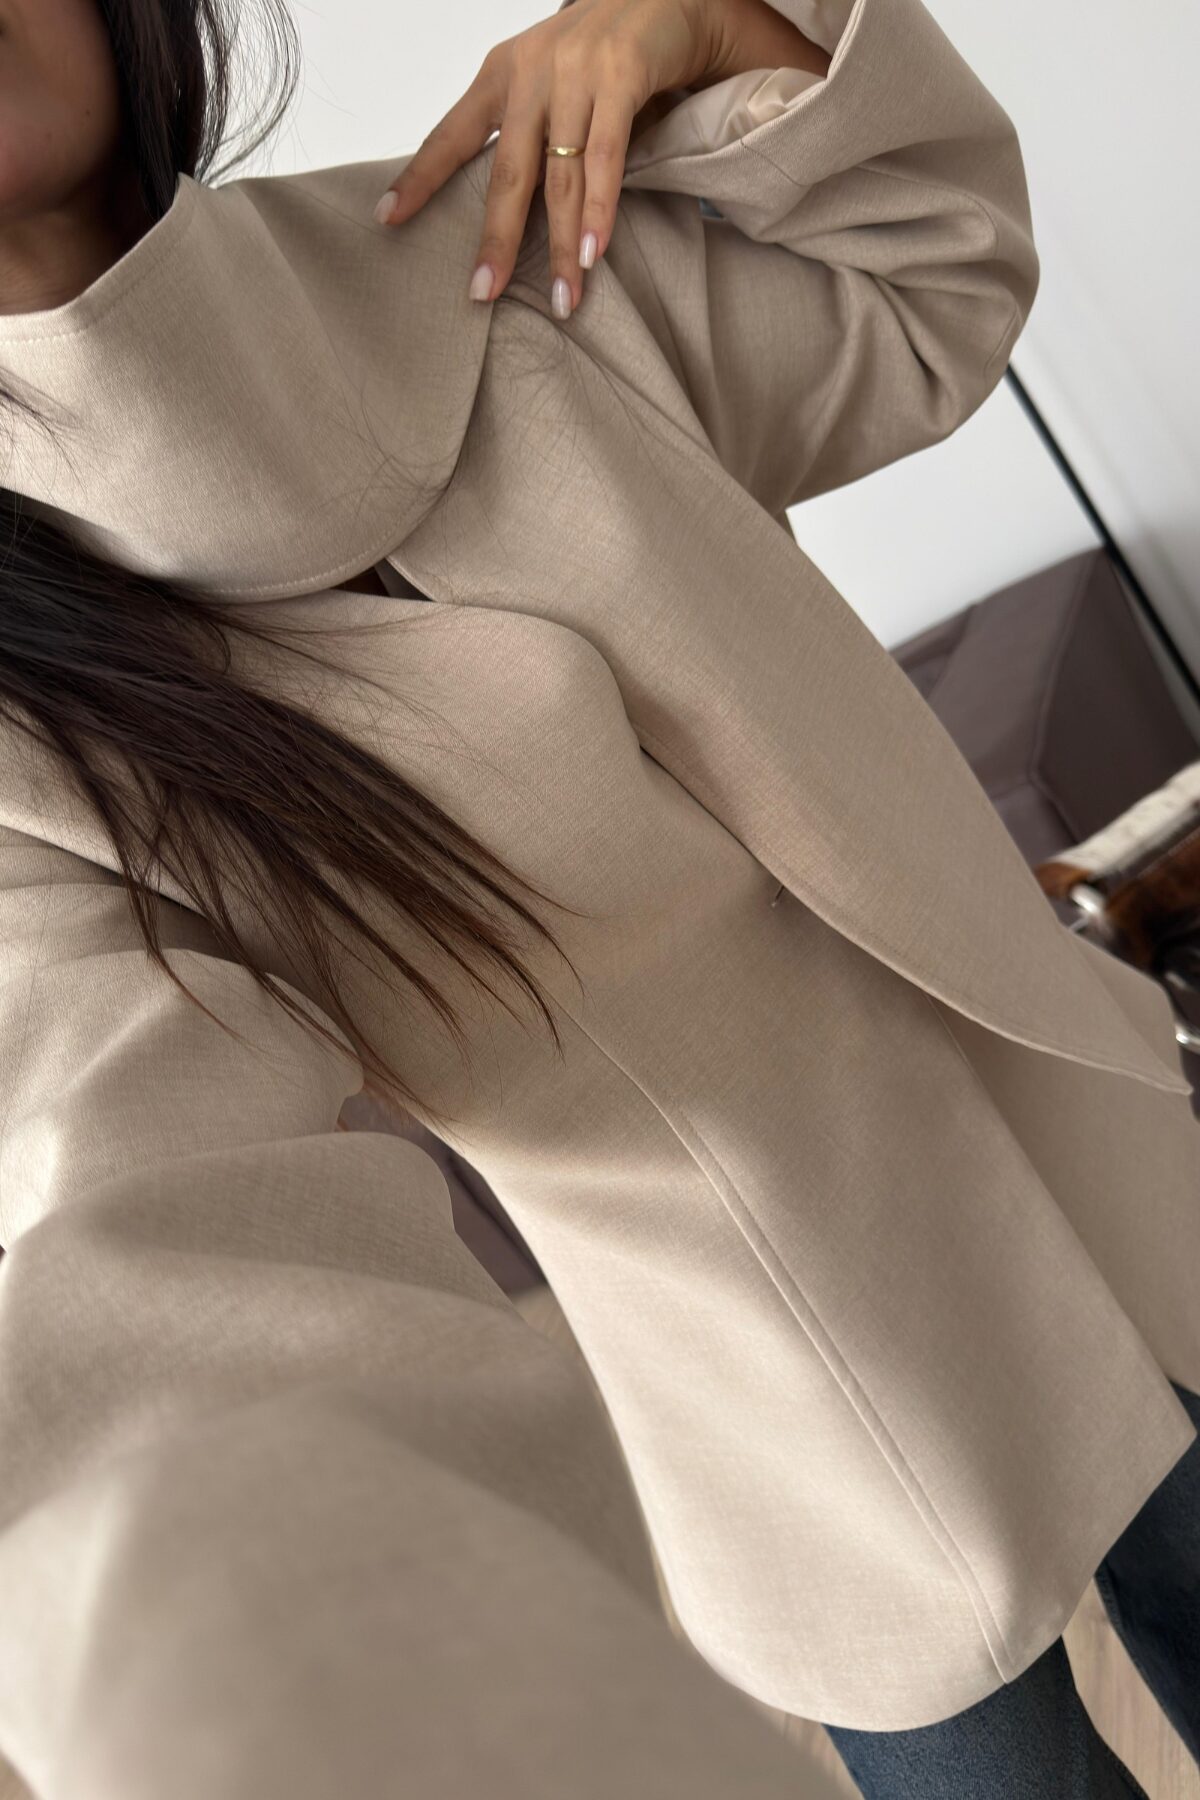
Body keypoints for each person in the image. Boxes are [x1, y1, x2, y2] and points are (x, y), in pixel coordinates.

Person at [0, 0, 1196, 1794]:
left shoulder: (488, 251)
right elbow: (147, 1208)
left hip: (1097, 1175)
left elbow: (932, 293)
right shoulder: (26, 743)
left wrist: (733, 30)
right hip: (781, 1415)